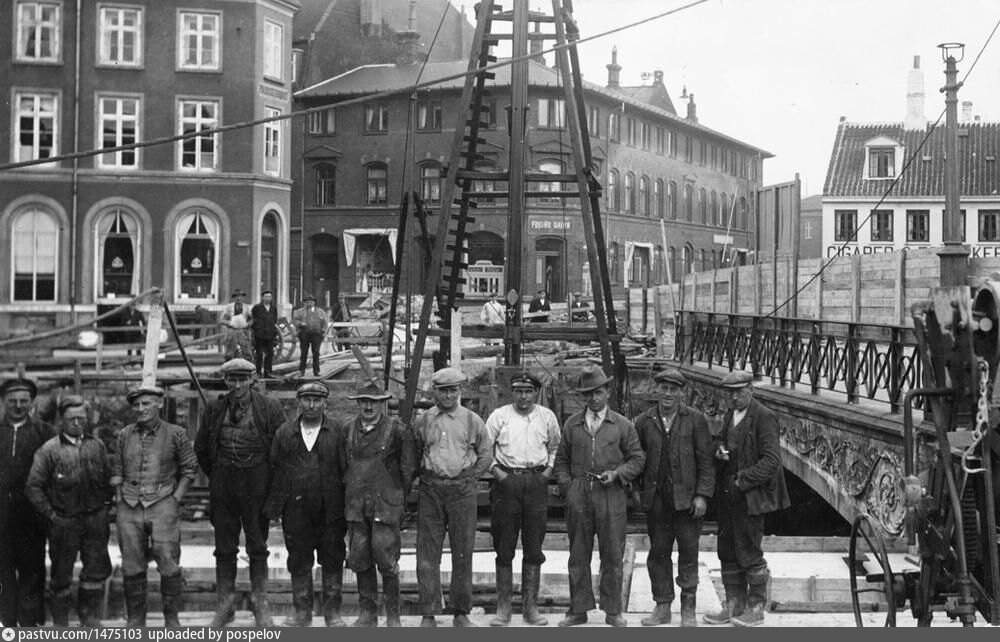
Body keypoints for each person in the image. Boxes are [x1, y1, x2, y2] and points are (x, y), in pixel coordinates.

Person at [195, 358, 286, 627]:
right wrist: (218, 475)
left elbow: (282, 446)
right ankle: (225, 605)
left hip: (257, 480)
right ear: (225, 380)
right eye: (232, 379)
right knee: (224, 546)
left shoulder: (269, 407)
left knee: (257, 544)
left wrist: (271, 485)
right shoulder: (214, 409)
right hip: (224, 480)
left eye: (242, 379)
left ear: (252, 379)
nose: (237, 385)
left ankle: (260, 603)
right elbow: (202, 447)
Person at [553, 365, 645, 627]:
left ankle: (613, 611)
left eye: (598, 392)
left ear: (608, 392)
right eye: (588, 394)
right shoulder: (572, 424)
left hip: (611, 494)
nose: (593, 398)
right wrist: (569, 488)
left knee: (612, 554)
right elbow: (561, 461)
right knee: (578, 554)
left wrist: (617, 474)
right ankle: (578, 610)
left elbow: (637, 459)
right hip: (580, 493)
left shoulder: (622, 425)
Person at [703, 371, 789, 627]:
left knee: (749, 551)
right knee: (727, 550)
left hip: (750, 498)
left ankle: (756, 608)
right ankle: (734, 605)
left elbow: (771, 461)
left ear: (751, 390)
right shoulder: (731, 414)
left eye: (739, 391)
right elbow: (722, 440)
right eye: (730, 392)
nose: (734, 397)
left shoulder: (764, 417)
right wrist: (718, 451)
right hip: (728, 496)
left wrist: (742, 480)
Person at [111, 386, 198, 627]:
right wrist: (119, 499)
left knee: (168, 559)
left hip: (163, 504)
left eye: (146, 403)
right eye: (137, 405)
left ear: (159, 404)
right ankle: (136, 622)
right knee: (132, 563)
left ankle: (172, 620)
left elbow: (190, 468)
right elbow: (117, 470)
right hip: (129, 506)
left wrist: (175, 499)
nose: (141, 409)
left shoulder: (176, 433)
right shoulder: (124, 435)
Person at [411, 367, 491, 627]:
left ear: (460, 391)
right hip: (431, 490)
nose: (448, 395)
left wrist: (470, 477)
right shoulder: (423, 420)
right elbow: (414, 453)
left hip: (462, 491)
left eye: (453, 390)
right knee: (427, 553)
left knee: (462, 551)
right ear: (434, 391)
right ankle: (428, 613)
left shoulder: (472, 420)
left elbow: (486, 454)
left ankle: (460, 612)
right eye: (443, 390)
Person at [634, 368, 714, 627]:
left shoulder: (695, 420)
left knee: (688, 552)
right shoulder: (644, 421)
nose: (668, 394)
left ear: (681, 393)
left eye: (673, 389)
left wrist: (702, 495)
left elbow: (706, 461)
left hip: (687, 501)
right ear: (656, 390)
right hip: (657, 501)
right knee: (658, 553)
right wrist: (637, 492)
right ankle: (662, 606)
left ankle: (688, 609)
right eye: (664, 388)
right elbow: (635, 459)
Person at [263, 382, 347, 627]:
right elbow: (275, 468)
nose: (311, 405)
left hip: (330, 510)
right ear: (298, 402)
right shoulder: (285, 433)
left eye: (317, 400)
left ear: (325, 403)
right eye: (306, 399)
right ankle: (302, 612)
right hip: (296, 510)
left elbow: (346, 469)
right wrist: (276, 507)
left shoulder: (337, 431)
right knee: (299, 560)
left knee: (332, 558)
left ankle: (332, 613)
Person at [25, 396, 112, 628]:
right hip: (64, 523)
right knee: (61, 575)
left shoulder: (97, 446)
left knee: (95, 571)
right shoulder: (49, 450)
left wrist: (104, 510)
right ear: (61, 420)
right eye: (71, 419)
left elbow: (108, 480)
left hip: (94, 522)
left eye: (81, 418)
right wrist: (52, 516)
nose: (76, 423)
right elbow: (33, 487)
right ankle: (61, 624)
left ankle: (89, 619)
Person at [485, 371, 560, 627]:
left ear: (536, 393)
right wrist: (498, 473)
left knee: (534, 545)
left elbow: (556, 447)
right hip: (507, 483)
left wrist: (547, 472)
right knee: (504, 546)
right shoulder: (499, 416)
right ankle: (503, 608)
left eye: (528, 391)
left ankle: (531, 608)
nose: (523, 397)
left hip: (536, 483)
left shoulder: (546, 417)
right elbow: (484, 449)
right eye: (519, 391)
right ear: (512, 392)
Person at [342, 379, 416, 628]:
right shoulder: (348, 429)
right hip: (356, 504)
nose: (368, 407)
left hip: (385, 505)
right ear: (358, 404)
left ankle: (393, 616)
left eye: (373, 402)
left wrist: (398, 498)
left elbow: (408, 468)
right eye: (364, 402)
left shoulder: (397, 430)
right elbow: (343, 466)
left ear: (382, 404)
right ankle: (368, 614)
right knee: (359, 556)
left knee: (386, 558)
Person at [0, 377, 53, 627]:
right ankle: (8, 624)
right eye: (12, 401)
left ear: (32, 402)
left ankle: (30, 625)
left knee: (32, 570)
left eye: (24, 401)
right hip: (0, 515)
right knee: (3, 571)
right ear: (3, 402)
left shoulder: (45, 432)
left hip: (31, 515)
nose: (18, 406)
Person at [293, 293, 328, 378]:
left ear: (314, 303)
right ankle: (302, 371)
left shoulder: (320, 312)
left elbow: (325, 322)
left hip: (316, 334)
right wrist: (300, 323)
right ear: (305, 303)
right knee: (303, 353)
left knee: (316, 353)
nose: (309, 304)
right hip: (304, 334)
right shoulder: (300, 312)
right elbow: (295, 320)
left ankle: (316, 371)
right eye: (307, 302)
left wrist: (323, 331)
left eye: (311, 302)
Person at [251, 290, 280, 378]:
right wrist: (256, 329)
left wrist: (274, 332)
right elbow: (253, 320)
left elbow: (274, 320)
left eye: (270, 297)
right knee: (259, 354)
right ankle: (258, 372)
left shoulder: (273, 308)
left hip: (270, 335)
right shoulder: (257, 308)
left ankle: (268, 372)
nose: (268, 298)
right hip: (259, 335)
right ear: (262, 298)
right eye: (266, 296)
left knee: (270, 354)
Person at [222, 289, 253, 360]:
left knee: (247, 351)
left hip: (243, 331)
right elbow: (223, 320)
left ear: (243, 298)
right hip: (232, 331)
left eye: (241, 296)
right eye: (237, 296)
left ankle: (247, 363)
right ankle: (229, 363)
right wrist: (229, 323)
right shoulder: (229, 308)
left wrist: (248, 324)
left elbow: (251, 319)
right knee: (229, 353)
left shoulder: (246, 308)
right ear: (234, 298)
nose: (239, 298)